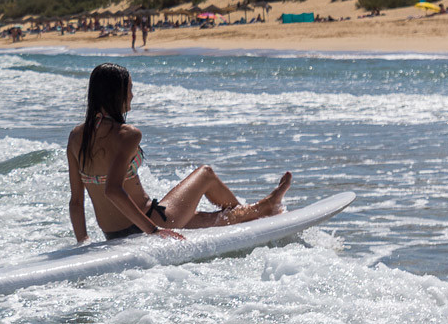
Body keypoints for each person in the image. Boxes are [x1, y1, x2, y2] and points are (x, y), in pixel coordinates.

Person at [67, 63, 291, 242]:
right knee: (206, 173)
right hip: (146, 221)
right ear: (115, 94)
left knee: (207, 220)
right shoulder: (127, 135)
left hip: (113, 234)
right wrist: (153, 231)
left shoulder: (77, 137)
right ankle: (259, 210)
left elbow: (76, 202)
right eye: (130, 88)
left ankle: (262, 209)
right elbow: (113, 190)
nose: (132, 95)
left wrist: (83, 242)